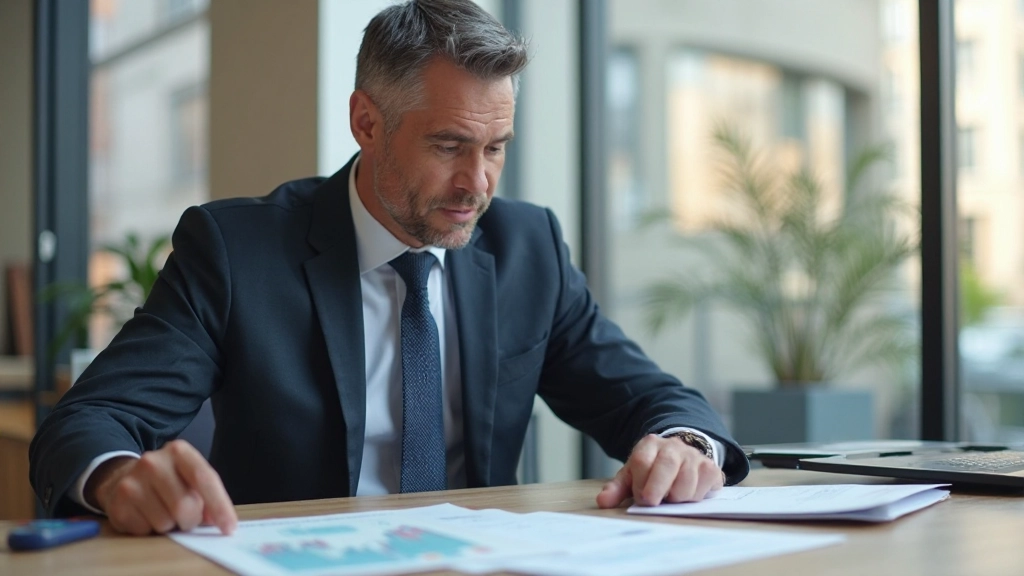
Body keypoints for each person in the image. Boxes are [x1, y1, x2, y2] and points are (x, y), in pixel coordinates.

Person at [29, 0, 749, 536]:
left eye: (496, 147)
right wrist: (119, 476)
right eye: (449, 146)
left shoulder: (527, 247)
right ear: (366, 123)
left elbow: (650, 397)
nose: (478, 183)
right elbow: (87, 420)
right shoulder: (237, 250)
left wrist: (684, 446)